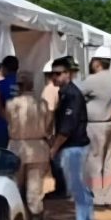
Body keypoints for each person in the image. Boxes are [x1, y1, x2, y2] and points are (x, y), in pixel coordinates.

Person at [49, 56, 95, 220]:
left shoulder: (72, 95)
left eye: (59, 73)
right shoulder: (65, 93)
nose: (55, 77)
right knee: (81, 189)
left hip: (74, 147)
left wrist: (54, 148)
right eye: (52, 74)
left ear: (68, 74)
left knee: (78, 190)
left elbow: (66, 128)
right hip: (74, 146)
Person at [6, 72, 52, 220]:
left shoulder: (12, 104)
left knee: (16, 190)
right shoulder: (43, 105)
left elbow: (9, 121)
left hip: (18, 148)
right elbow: (48, 124)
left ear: (19, 86)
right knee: (35, 192)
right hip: (38, 149)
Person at [80, 47, 111, 210]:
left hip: (95, 125)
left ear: (97, 63)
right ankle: (109, 198)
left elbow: (76, 93)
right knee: (108, 162)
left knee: (94, 162)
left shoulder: (93, 80)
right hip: (109, 123)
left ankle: (97, 198)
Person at [41, 59, 68, 200]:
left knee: (55, 160)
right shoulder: (61, 89)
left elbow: (50, 112)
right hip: (60, 128)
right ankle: (64, 188)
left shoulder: (49, 90)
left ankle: (61, 189)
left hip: (52, 130)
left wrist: (47, 131)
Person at [0, 55, 19, 150]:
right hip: (20, 126)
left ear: (4, 68)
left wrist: (1, 110)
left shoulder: (1, 84)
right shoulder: (23, 84)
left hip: (3, 126)